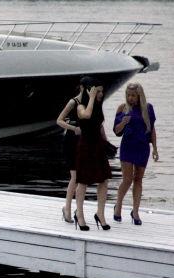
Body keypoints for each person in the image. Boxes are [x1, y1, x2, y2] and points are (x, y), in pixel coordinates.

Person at [112, 83, 158, 226]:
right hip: (128, 146)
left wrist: (155, 148)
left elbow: (152, 130)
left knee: (138, 179)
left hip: (142, 147)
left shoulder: (148, 108)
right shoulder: (123, 108)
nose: (130, 98)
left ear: (139, 96)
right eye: (128, 95)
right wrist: (123, 123)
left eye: (133, 95)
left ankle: (135, 211)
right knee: (127, 179)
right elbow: (116, 131)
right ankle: (118, 205)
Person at [74, 78, 111, 231]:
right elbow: (86, 116)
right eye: (97, 91)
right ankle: (80, 214)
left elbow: (99, 125)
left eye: (101, 91)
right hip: (85, 145)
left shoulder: (97, 106)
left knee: (104, 180)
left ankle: (100, 213)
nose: (100, 94)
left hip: (98, 145)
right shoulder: (80, 106)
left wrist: (107, 142)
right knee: (83, 181)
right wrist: (91, 97)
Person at [56, 79, 87, 223]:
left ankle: (78, 209)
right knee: (75, 176)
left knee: (82, 178)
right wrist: (74, 128)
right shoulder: (73, 102)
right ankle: (67, 207)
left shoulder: (91, 104)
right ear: (81, 87)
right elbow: (59, 120)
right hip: (71, 140)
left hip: (85, 141)